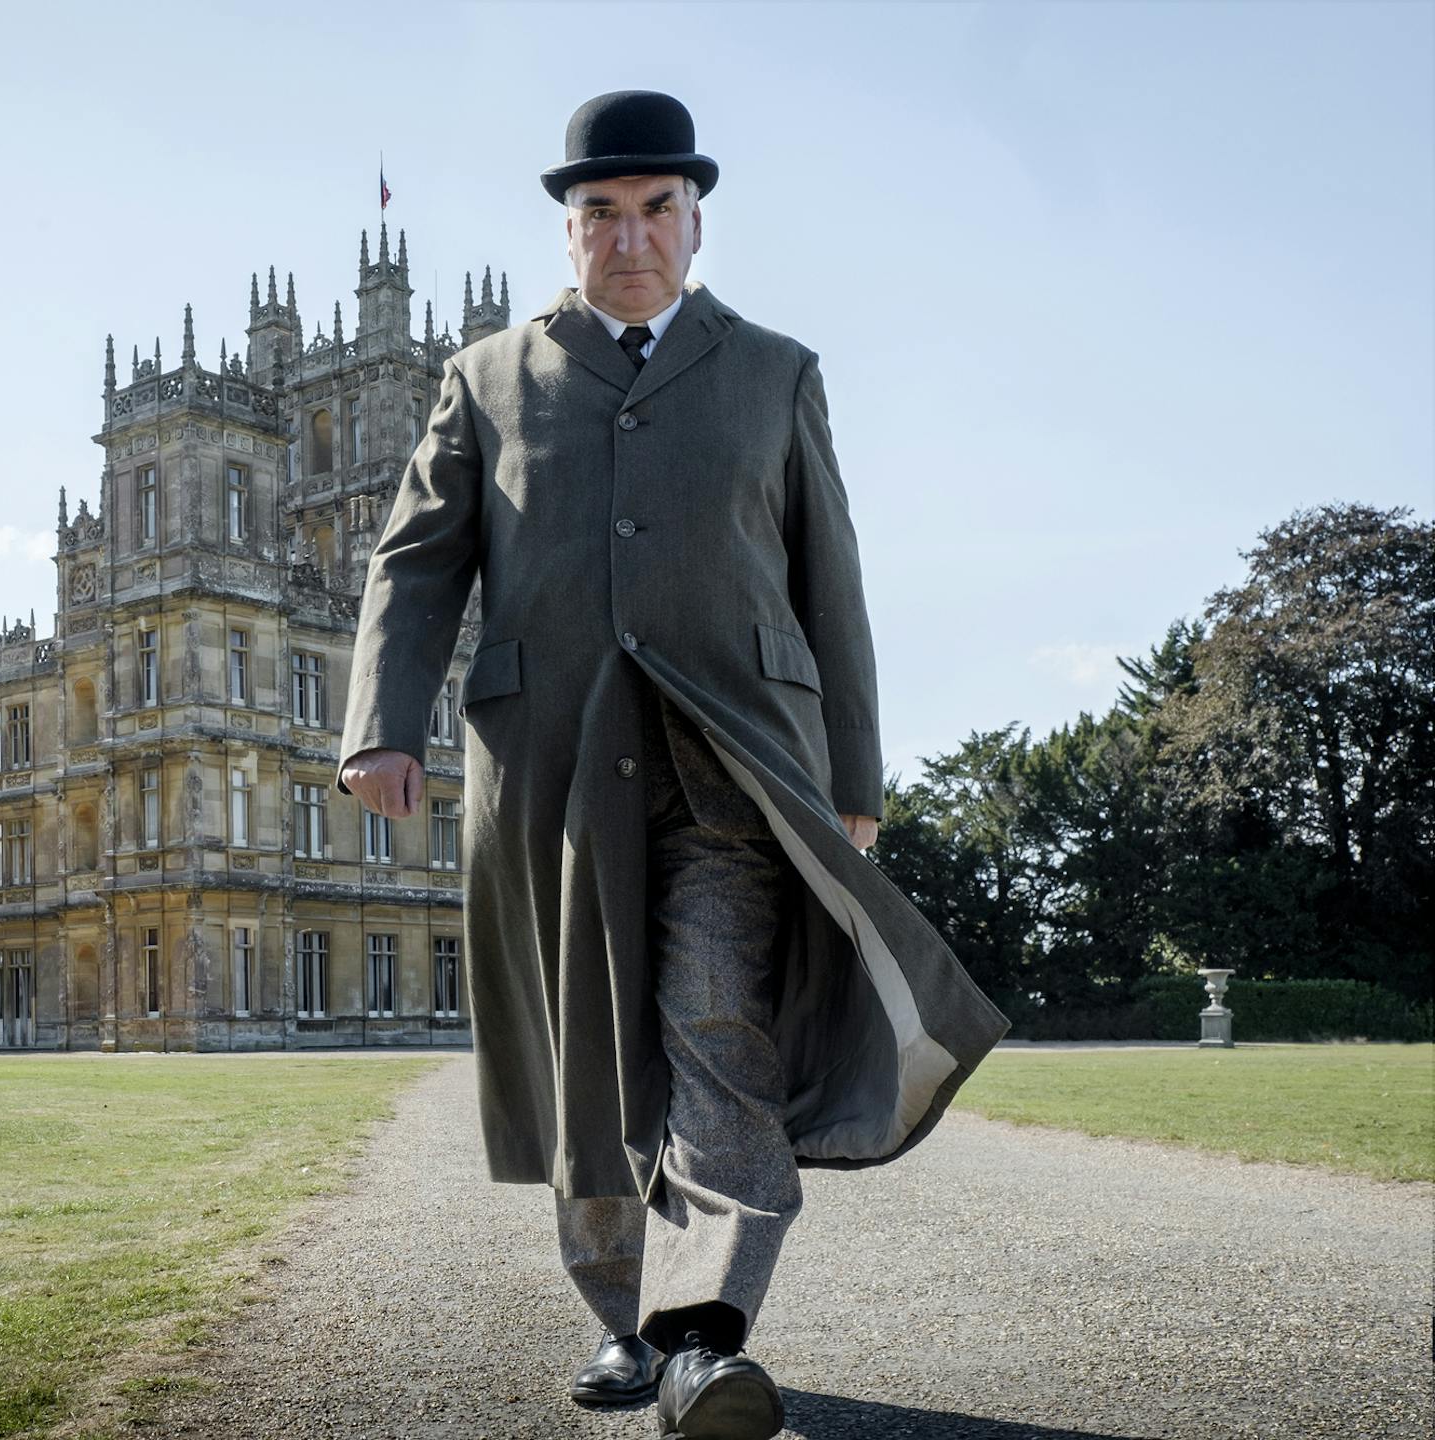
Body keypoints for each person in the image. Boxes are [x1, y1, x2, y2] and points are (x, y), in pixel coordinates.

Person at [335, 90, 1009, 1439]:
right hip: (552, 754)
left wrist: (856, 776)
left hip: (739, 758)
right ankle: (617, 1316)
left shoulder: (776, 371)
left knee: (720, 1036)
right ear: (568, 229)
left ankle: (701, 1335)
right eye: (601, 212)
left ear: (695, 223)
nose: (629, 236)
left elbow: (833, 580)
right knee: (586, 1052)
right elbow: (415, 563)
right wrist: (380, 722)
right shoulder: (485, 376)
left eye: (655, 210)